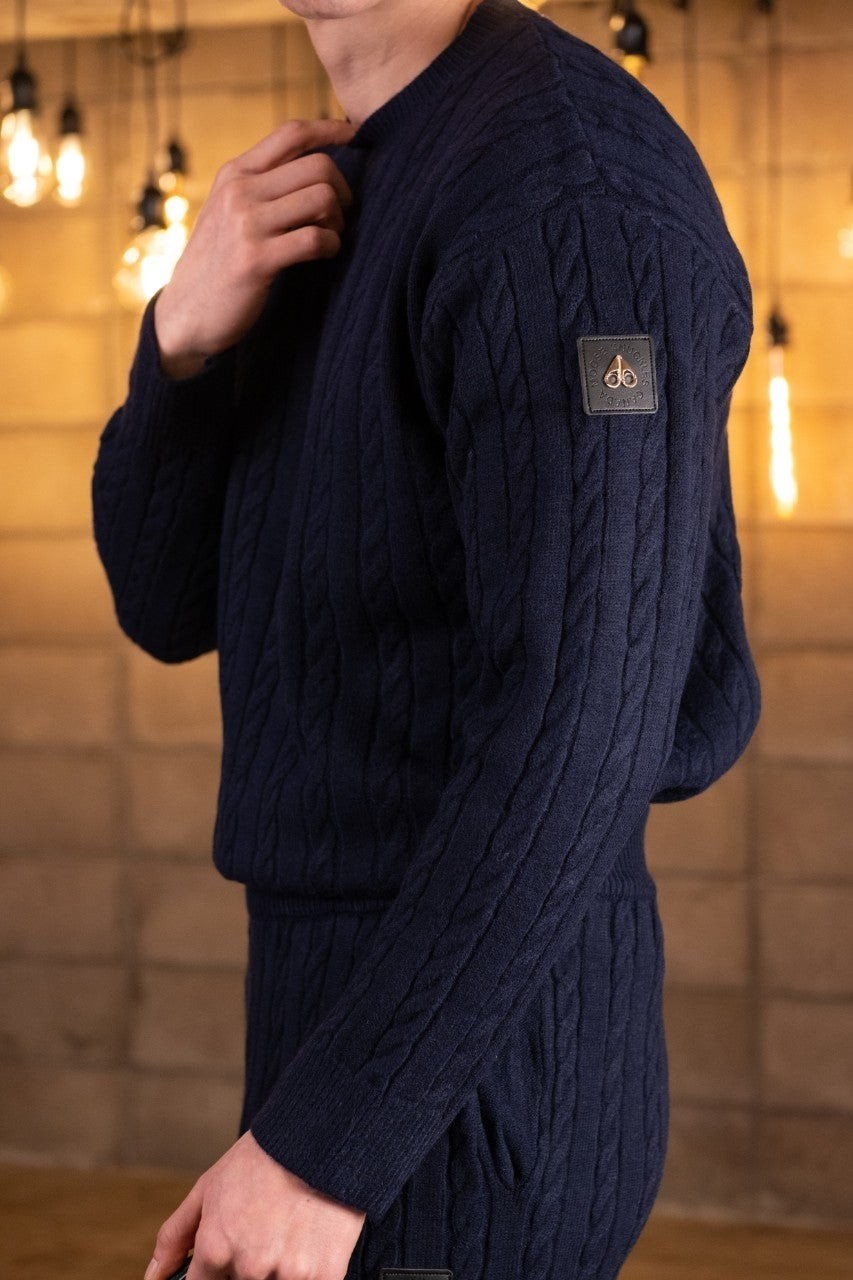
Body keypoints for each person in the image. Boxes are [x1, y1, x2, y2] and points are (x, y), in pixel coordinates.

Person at [91, 1, 762, 1277]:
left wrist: (324, 1150)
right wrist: (179, 340)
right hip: (342, 1016)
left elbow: (587, 721)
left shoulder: (569, 193)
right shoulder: (336, 186)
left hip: (475, 1075)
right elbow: (161, 598)